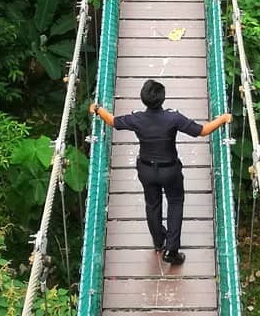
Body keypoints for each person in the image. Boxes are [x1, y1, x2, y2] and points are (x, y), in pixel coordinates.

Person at [89, 78, 232, 265]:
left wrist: (98, 109)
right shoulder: (173, 118)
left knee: (152, 204)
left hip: (147, 170)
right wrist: (223, 118)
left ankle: (158, 241)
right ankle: (172, 251)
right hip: (170, 170)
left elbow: (112, 121)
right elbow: (202, 131)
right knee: (175, 203)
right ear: (163, 98)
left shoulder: (136, 118)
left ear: (143, 99)